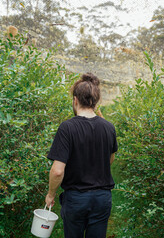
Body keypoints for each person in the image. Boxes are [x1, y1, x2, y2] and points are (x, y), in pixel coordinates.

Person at [45, 72, 118, 238]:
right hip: (102, 198)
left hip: (76, 199)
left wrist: (50, 194)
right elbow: (110, 160)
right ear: (96, 102)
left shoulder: (67, 128)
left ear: (75, 100)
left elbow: (57, 171)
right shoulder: (109, 127)